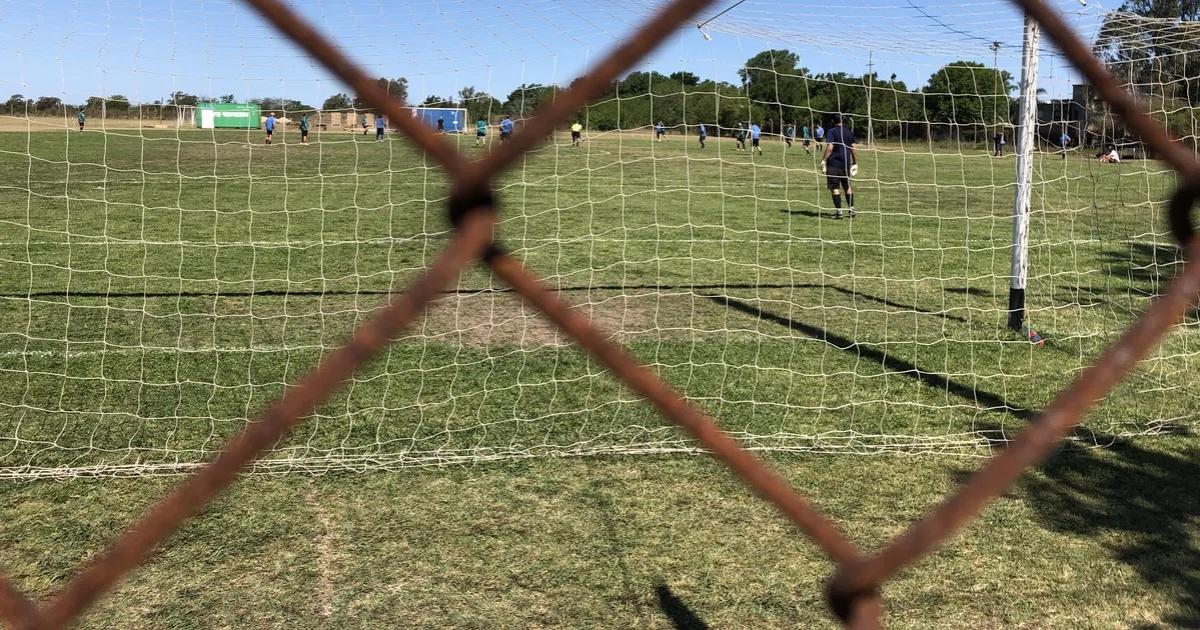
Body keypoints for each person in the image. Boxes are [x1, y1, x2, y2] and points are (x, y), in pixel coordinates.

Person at [821, 117, 858, 219]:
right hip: (846, 164)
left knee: (835, 188)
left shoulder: (831, 131)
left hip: (833, 163)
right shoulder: (849, 132)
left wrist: (824, 160)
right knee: (847, 187)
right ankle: (851, 210)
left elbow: (830, 147)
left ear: (833, 121)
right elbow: (853, 148)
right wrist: (855, 162)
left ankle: (839, 212)